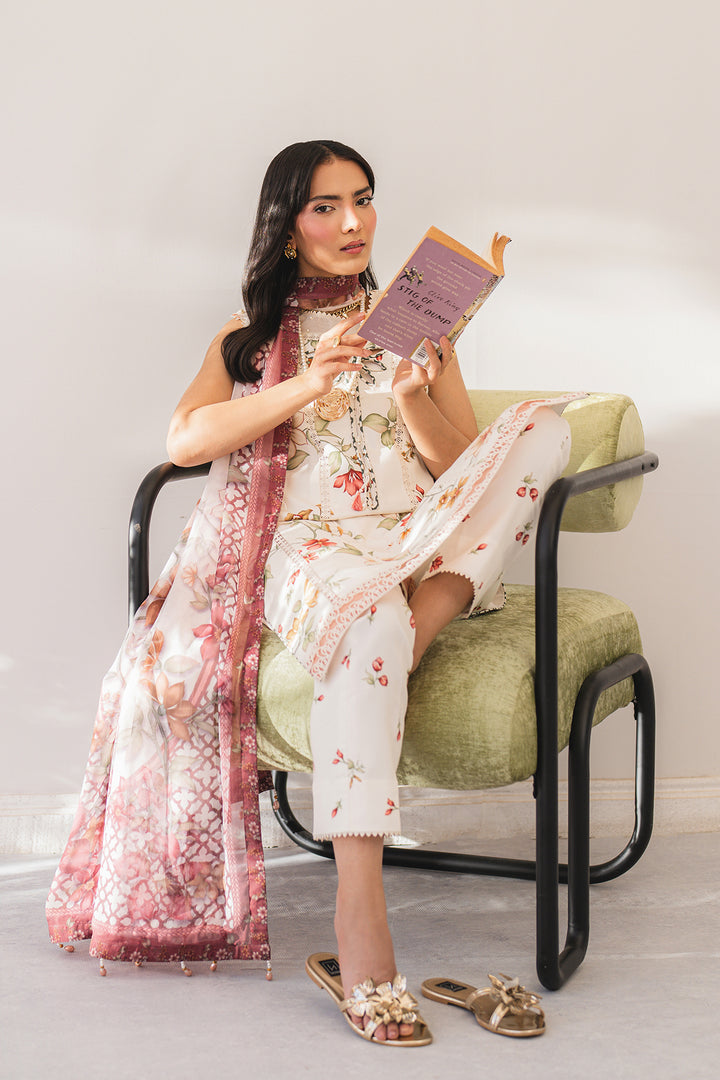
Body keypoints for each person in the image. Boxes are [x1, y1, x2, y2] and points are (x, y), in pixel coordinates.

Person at [47, 140, 576, 1046]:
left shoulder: (415, 320)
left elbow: (469, 472)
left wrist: (412, 395)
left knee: (543, 431)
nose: (353, 222)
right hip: (308, 547)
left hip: (419, 544)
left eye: (362, 199)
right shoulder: (248, 335)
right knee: (366, 626)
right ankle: (359, 920)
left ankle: (414, 629)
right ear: (288, 227)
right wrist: (303, 383)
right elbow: (185, 440)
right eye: (326, 206)